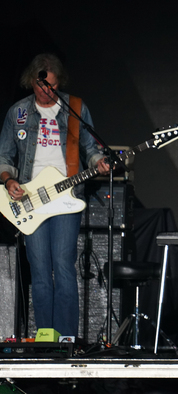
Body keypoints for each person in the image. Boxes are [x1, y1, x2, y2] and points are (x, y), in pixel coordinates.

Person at [0, 53, 109, 337]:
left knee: (63, 266)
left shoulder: (74, 108)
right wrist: (9, 180)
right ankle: (45, 336)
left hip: (65, 197)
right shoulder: (18, 113)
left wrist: (98, 160)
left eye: (51, 86)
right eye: (40, 86)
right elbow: (4, 156)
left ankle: (66, 336)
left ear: (58, 82)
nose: (46, 91)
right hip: (31, 199)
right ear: (31, 83)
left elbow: (89, 147)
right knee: (40, 271)